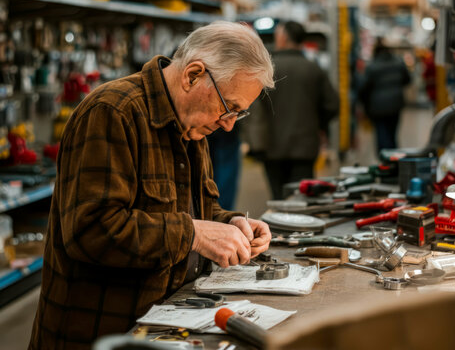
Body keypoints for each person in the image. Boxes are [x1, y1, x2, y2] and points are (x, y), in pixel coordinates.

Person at [29, 21, 274, 350]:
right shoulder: (112, 113)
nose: (228, 125)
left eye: (239, 114)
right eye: (228, 107)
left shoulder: (192, 125)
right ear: (192, 75)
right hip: (100, 333)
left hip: (164, 325)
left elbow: (195, 208)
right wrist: (195, 234)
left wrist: (229, 224)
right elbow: (90, 233)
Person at [247, 20, 339, 199]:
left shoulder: (266, 71)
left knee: (279, 199)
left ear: (283, 38)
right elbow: (332, 105)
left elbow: (251, 108)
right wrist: (318, 124)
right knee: (302, 199)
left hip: (271, 146)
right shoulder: (313, 69)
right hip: (305, 146)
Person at [358, 38, 411, 154]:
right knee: (392, 133)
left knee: (382, 134)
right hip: (395, 105)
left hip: (378, 107)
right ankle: (394, 158)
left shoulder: (372, 67)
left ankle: (385, 160)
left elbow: (364, 88)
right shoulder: (398, 63)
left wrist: (364, 104)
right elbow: (407, 80)